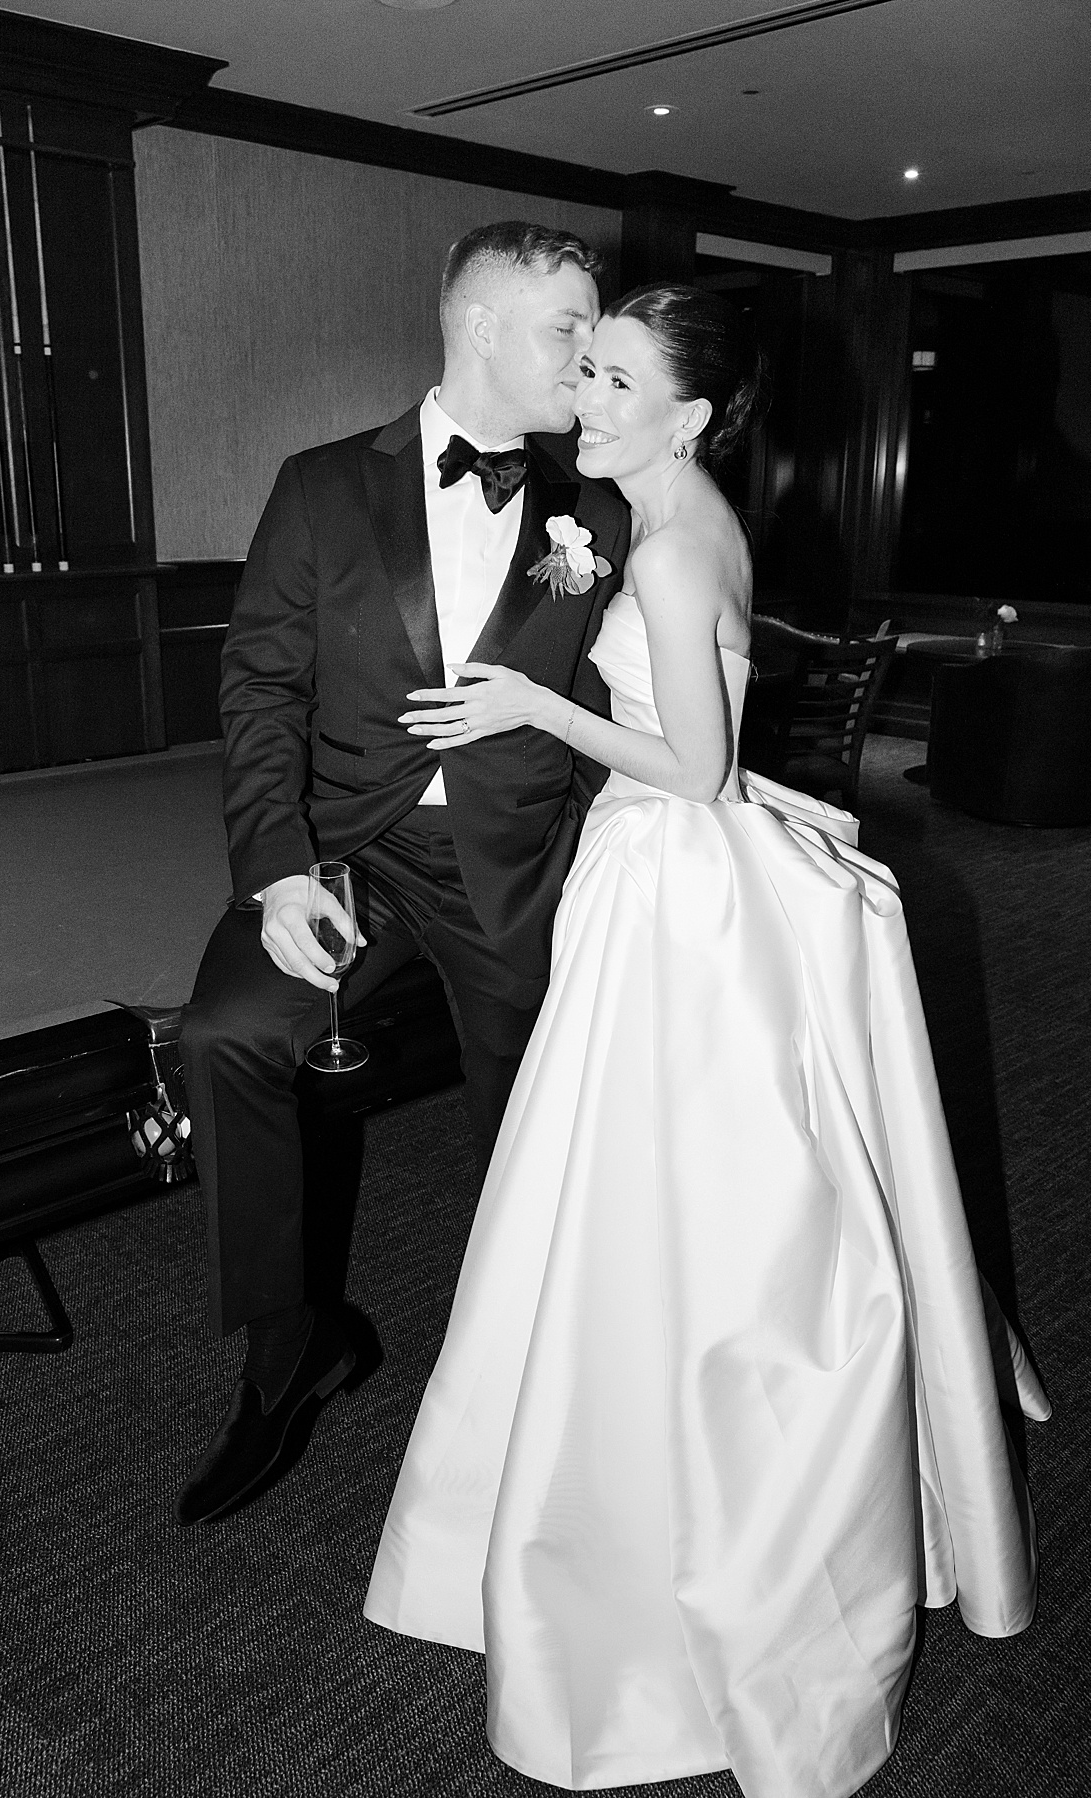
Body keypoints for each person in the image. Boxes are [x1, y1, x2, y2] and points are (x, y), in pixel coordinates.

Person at [363, 283, 1041, 1795]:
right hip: (678, 871)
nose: (584, 400)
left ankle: (665, 1508)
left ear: (692, 413)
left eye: (613, 383)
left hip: (675, 880)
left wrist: (539, 698)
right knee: (642, 1189)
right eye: (585, 370)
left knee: (660, 1199)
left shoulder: (671, 550)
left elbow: (694, 763)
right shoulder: (677, 514)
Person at [175, 222, 629, 1526]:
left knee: (540, 1123)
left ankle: (525, 1392)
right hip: (345, 846)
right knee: (224, 1034)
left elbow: (617, 692)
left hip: (518, 863)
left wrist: (601, 850)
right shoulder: (322, 486)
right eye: (568, 332)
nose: (589, 359)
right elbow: (259, 684)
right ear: (482, 327)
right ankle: (286, 1350)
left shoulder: (595, 504)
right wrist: (275, 870)